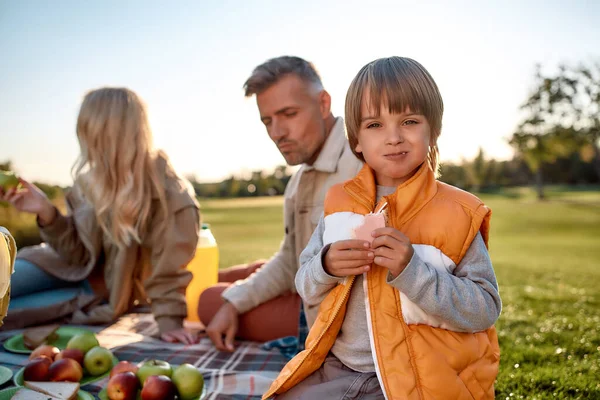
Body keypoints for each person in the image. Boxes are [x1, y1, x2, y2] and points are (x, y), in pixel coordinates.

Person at [264, 57, 502, 399]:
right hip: (339, 368)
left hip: (419, 379)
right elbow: (305, 282)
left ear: (432, 130)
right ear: (356, 140)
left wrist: (413, 270)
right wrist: (326, 266)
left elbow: (484, 308)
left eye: (408, 121)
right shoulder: (338, 203)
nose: (393, 137)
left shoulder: (459, 212)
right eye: (375, 124)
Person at [0, 88, 200, 344]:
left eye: (86, 132)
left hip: (91, 291)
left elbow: (168, 270)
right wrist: (46, 211)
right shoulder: (89, 184)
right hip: (52, 263)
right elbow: (78, 255)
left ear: (104, 135)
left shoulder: (170, 196)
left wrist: (170, 320)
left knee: (6, 312)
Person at [200, 56, 363, 352]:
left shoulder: (364, 160)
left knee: (208, 300)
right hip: (305, 283)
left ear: (324, 103)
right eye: (267, 120)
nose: (277, 133)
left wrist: (229, 302)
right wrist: (236, 302)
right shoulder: (298, 181)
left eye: (288, 114)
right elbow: (291, 260)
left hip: (338, 320)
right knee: (222, 285)